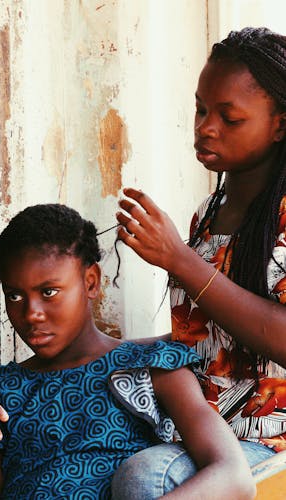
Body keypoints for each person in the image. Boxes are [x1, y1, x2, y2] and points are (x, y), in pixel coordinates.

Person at [0, 204, 255, 499]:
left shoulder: (150, 367)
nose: (31, 313)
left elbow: (232, 476)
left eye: (49, 292)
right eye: (14, 296)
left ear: (90, 282)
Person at [112, 26, 286, 498]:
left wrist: (180, 260)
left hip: (271, 439)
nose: (206, 127)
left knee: (145, 478)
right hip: (205, 428)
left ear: (279, 124)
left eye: (229, 118)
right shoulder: (210, 214)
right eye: (201, 109)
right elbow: (207, 339)